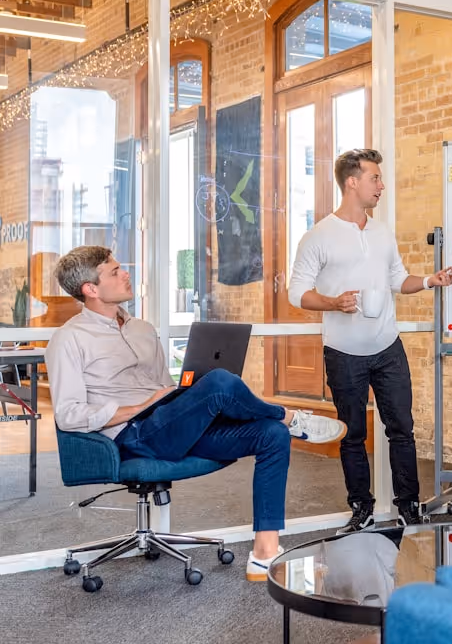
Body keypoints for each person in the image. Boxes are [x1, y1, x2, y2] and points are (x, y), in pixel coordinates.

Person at [45, 246, 345, 582]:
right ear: (91, 289)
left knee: (269, 435)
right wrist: (139, 407)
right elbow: (68, 415)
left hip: (169, 425)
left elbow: (164, 387)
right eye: (115, 271)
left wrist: (182, 397)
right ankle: (289, 417)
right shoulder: (69, 339)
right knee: (219, 383)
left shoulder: (142, 329)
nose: (125, 273)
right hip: (134, 435)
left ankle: (264, 552)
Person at [288, 148, 452, 533]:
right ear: (352, 181)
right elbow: (297, 293)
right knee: (352, 432)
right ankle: (361, 507)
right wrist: (333, 301)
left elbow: (399, 279)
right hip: (344, 353)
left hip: (387, 347)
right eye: (375, 178)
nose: (381, 185)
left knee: (402, 428)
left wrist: (431, 280)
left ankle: (408, 506)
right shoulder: (319, 236)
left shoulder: (382, 233)